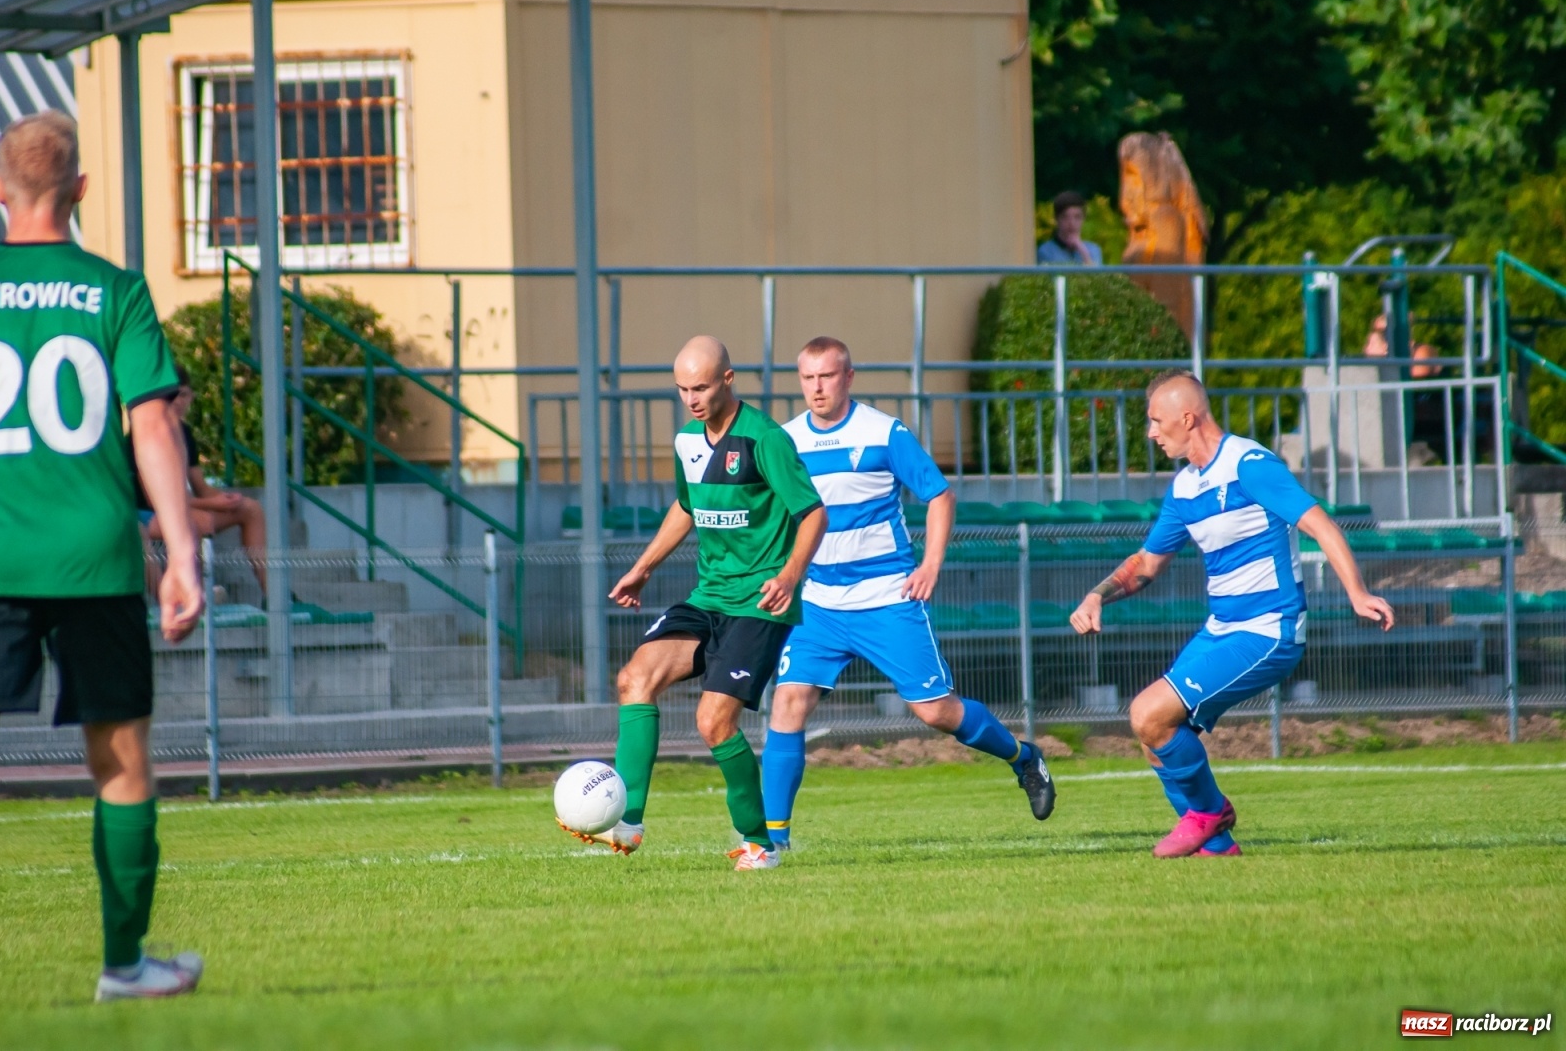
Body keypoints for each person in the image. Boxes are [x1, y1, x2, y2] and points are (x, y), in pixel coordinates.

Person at [0, 112, 206, 996]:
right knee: (121, 759)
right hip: (93, 561)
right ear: (81, 190)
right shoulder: (117, 291)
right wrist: (181, 553)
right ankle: (122, 965)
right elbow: (153, 428)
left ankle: (128, 966)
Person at [1069, 370, 1394, 857]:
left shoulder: (1249, 464)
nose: (1150, 432)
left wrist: (1357, 592)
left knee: (1147, 713)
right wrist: (1097, 594)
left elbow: (1320, 525)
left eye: (1156, 421)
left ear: (1188, 417)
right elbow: (1146, 565)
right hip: (1221, 630)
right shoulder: (1184, 489)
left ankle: (1210, 813)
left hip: (1269, 631)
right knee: (1154, 734)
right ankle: (1217, 846)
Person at [760, 337, 1055, 850]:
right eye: (807, 378)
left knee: (936, 712)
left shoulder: (882, 432)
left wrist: (931, 563)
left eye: (827, 377)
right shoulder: (785, 441)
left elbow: (939, 494)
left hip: (885, 597)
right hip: (821, 605)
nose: (817, 388)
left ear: (848, 378)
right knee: (787, 705)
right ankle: (773, 844)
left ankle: (1023, 758)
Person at [560, 335, 828, 870]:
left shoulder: (765, 439)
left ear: (728, 379)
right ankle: (628, 820)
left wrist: (790, 575)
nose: (692, 398)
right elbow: (687, 507)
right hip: (707, 596)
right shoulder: (688, 441)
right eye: (682, 388)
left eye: (701, 386)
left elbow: (813, 513)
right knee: (635, 678)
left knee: (713, 722)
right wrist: (643, 567)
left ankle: (760, 842)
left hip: (759, 604)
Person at [135, 365, 267, 598]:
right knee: (195, 522)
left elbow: (201, 487)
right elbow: (155, 499)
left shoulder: (184, 432)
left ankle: (275, 594)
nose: (177, 401)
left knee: (250, 509)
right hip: (145, 513)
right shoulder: (146, 433)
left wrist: (225, 499)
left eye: (184, 395)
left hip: (177, 507)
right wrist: (214, 505)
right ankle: (193, 594)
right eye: (171, 395)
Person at [1036, 190, 1103, 266]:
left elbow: (1097, 276)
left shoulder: (1094, 250)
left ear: (1083, 219)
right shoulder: (1045, 251)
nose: (1071, 223)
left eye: (1077, 217)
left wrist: (1083, 251)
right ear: (1056, 219)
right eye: (1065, 217)